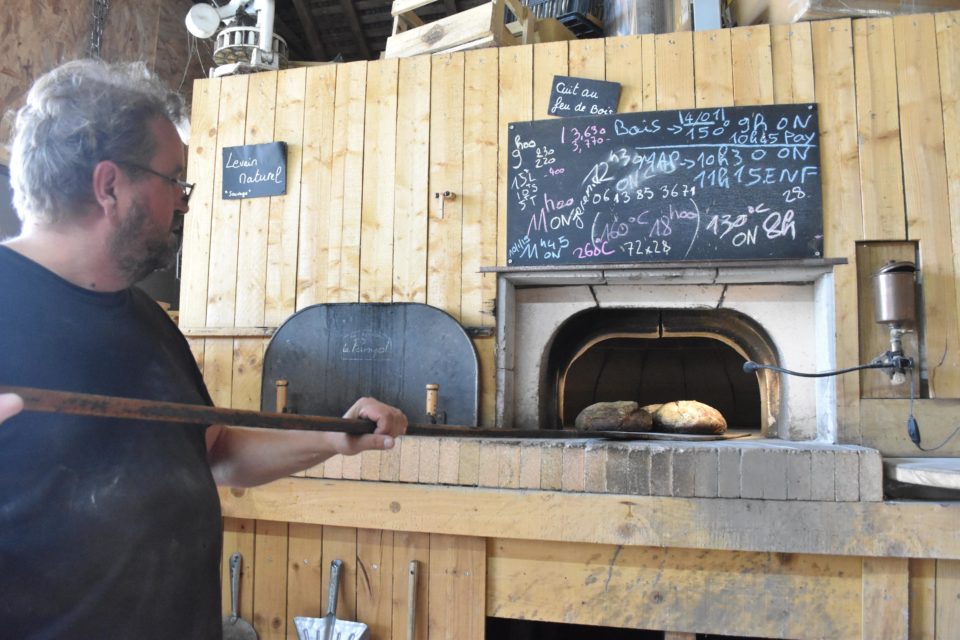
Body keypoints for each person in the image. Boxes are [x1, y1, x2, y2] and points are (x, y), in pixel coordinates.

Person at [0, 59, 407, 639]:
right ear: (110, 185)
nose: (184, 203)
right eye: (173, 180)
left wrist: (330, 436)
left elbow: (213, 451)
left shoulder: (145, 319)